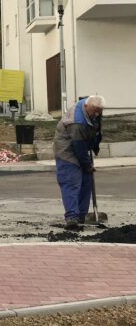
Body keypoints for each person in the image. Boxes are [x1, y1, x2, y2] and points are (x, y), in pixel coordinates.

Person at [53, 95, 105, 230]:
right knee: (71, 183)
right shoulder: (76, 122)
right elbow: (79, 147)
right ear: (86, 107)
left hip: (80, 145)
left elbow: (96, 129)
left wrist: (95, 145)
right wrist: (87, 165)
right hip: (67, 151)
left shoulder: (92, 107)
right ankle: (71, 217)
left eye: (99, 111)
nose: (97, 114)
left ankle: (81, 215)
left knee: (86, 182)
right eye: (94, 111)